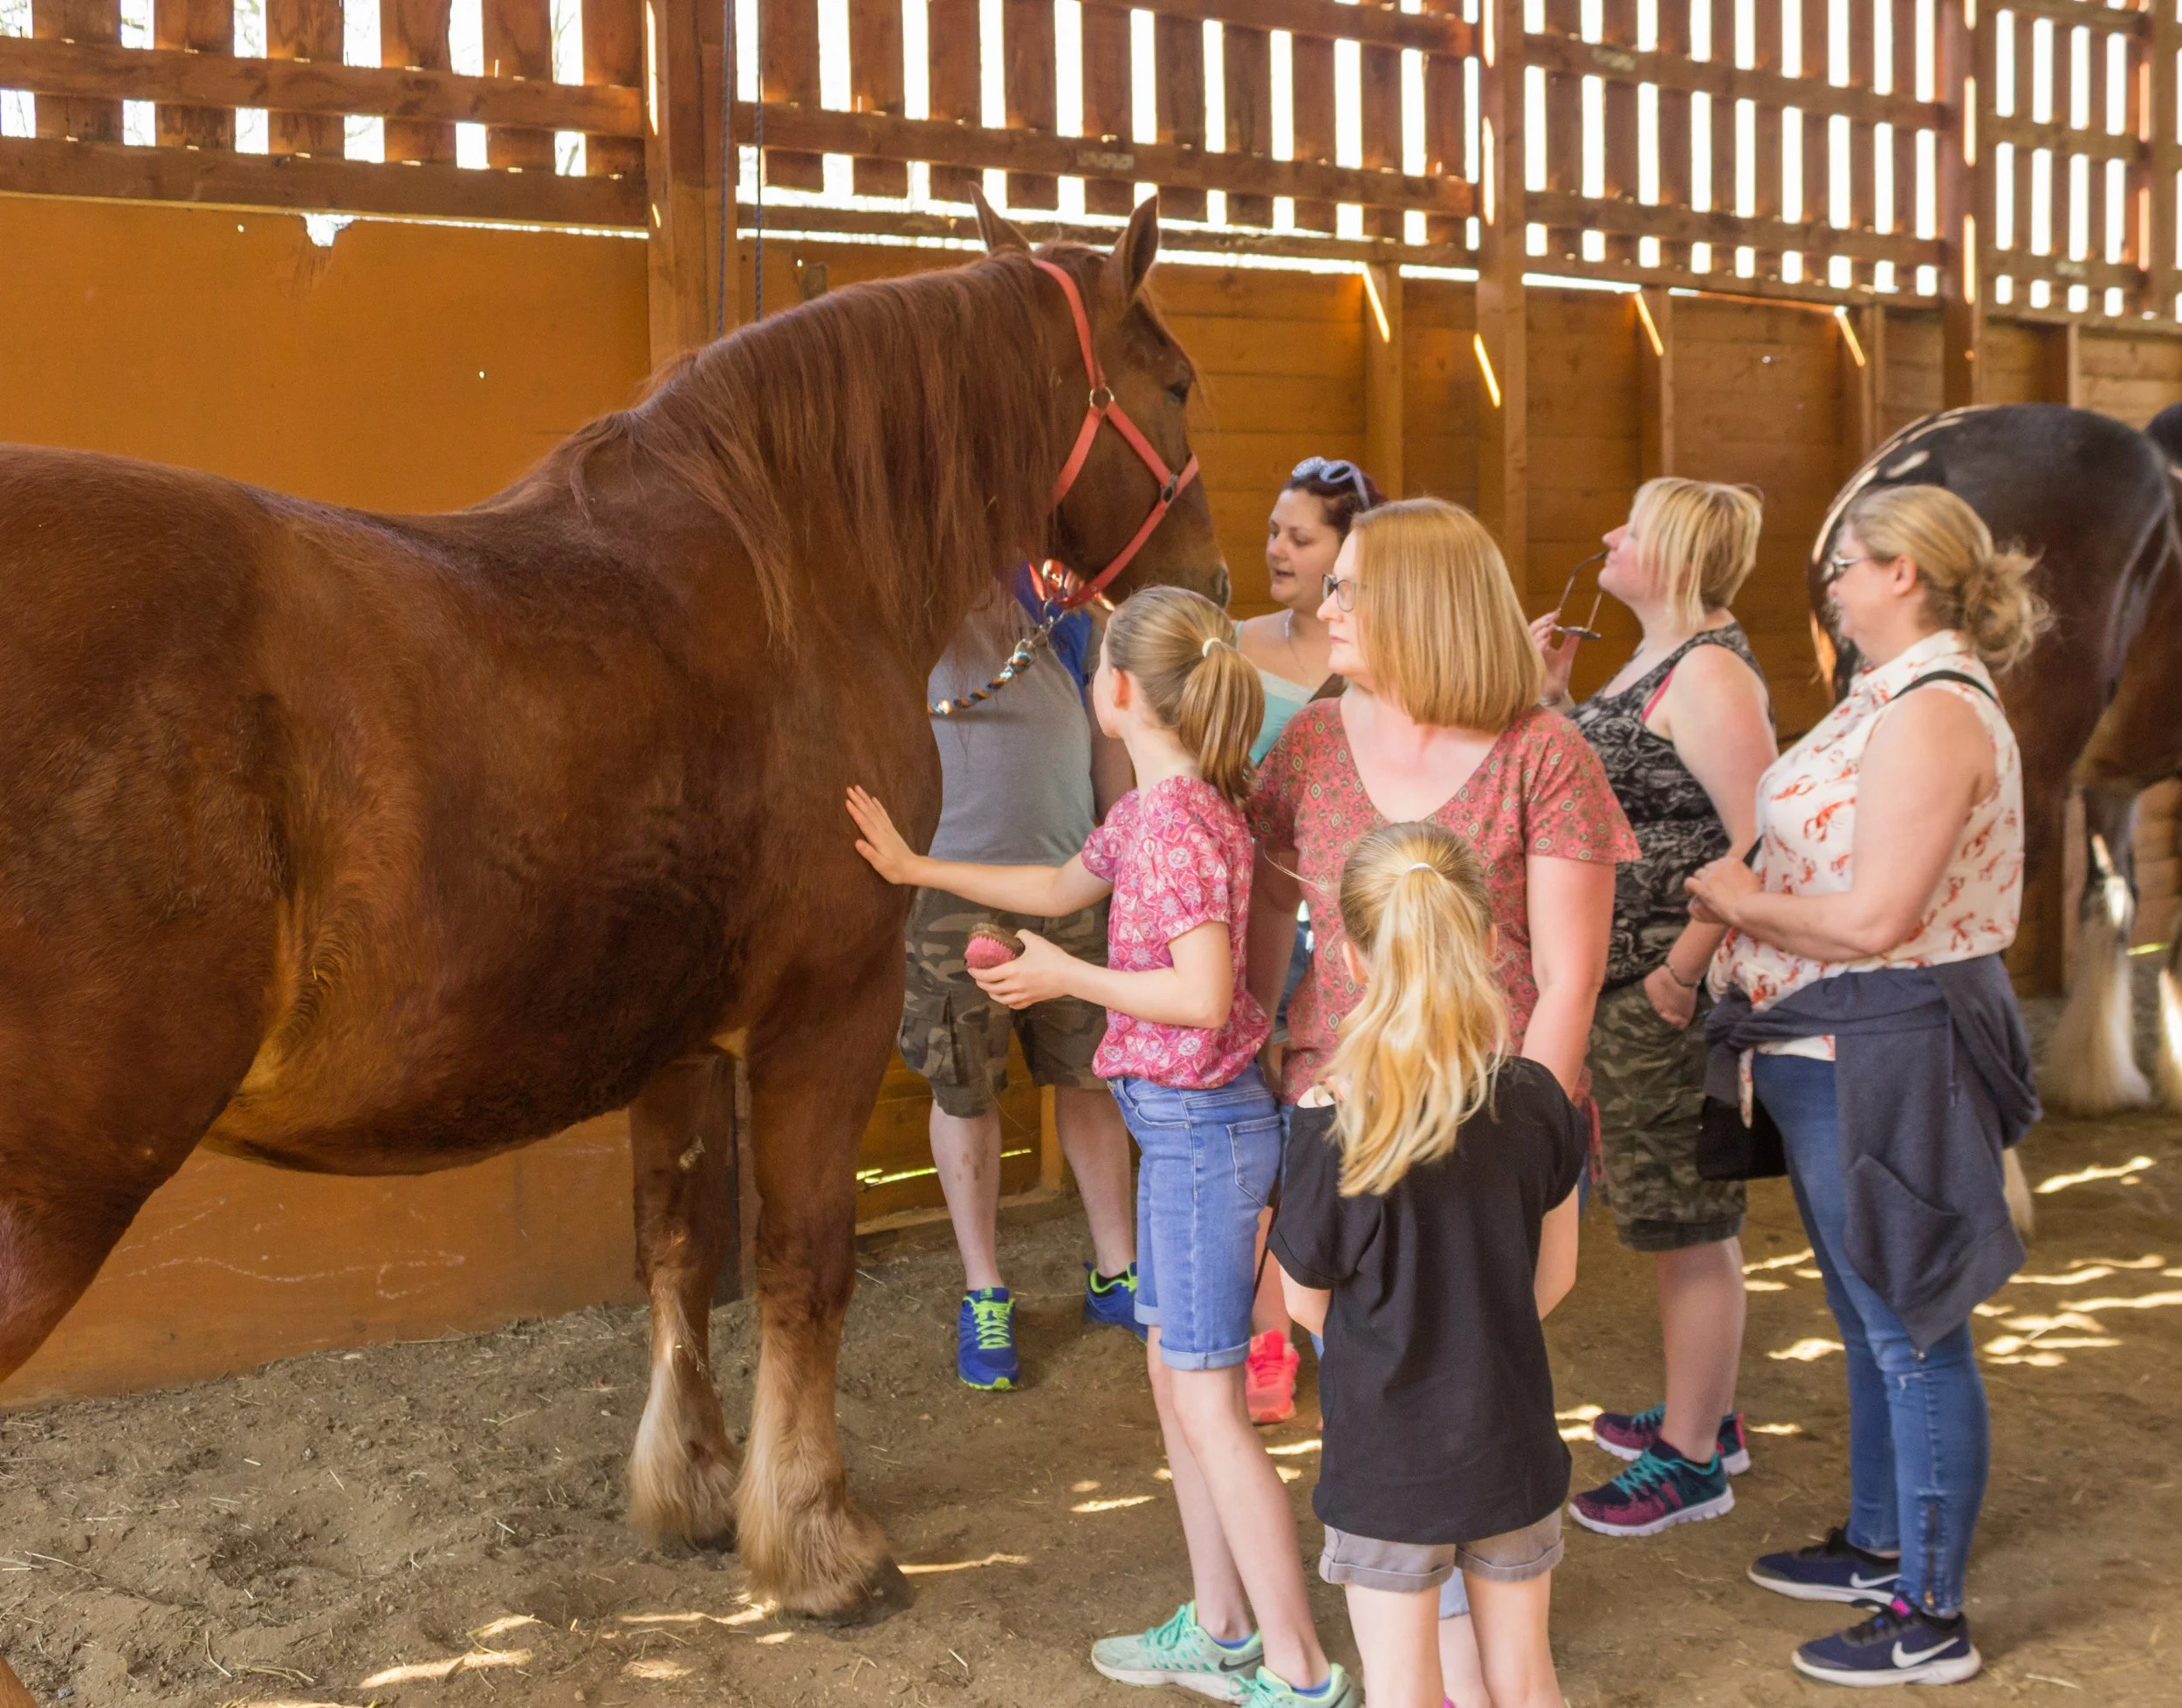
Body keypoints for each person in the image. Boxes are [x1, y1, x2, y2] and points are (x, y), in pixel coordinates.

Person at [848, 586, 1355, 1708]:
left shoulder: (1175, 823)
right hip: (1180, 1136)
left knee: (1210, 1407)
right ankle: (1223, 1628)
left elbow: (1203, 990)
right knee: (1185, 1397)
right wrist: (919, 870)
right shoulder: (1160, 809)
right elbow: (1053, 884)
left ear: (1119, 690)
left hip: (1201, 1140)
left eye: (1092, 674)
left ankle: (1297, 1667)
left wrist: (1062, 976)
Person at [1246, 496, 1635, 1683]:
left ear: (1421, 603)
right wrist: (1267, 1026)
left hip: (1489, 1125)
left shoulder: (1545, 752)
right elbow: (1270, 898)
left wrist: (1514, 1131)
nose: (1327, 604)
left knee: (1459, 1381)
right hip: (1345, 1120)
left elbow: (1570, 975)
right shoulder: (1311, 740)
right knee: (1387, 1401)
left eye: (1354, 586)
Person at [1686, 484, 2046, 1689]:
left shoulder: (1935, 713)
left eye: (1843, 563)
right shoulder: (1880, 701)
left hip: (1888, 1045)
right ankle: (1880, 1536)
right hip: (1828, 1044)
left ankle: (1931, 1609)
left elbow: (1882, 915)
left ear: (1904, 573)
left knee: (1912, 1324)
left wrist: (1739, 904)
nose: (1827, 582)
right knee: (1865, 1314)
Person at [1273, 822, 1584, 1708]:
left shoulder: (1333, 1119)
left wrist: (1394, 1349)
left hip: (1387, 1462)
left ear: (1352, 955)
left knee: (1403, 1692)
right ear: (1489, 941)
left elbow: (1304, 1301)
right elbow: (1552, 1279)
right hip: (1510, 1439)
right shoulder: (1535, 1098)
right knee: (1526, 1682)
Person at [1535, 479, 1778, 1537]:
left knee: (1688, 1224)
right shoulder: (1659, 662)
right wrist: (1552, 696)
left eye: (1627, 527)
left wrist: (1682, 968)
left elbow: (1762, 840)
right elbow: (1599, 796)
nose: (1606, 535)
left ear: (1672, 555)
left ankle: (1691, 1458)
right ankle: (1702, 1411)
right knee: (1665, 1212)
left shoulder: (1713, 674)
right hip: (1629, 986)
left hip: (1665, 993)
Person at [905, 566, 1141, 1390]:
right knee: (964, 1086)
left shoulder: (1063, 603)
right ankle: (984, 1287)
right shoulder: (911, 589)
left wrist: (1125, 859)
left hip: (1073, 882)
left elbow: (1108, 740)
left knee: (1092, 1078)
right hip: (953, 893)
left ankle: (1119, 1271)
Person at [1236, 454, 1385, 1425]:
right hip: (1247, 911)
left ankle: (1349, 1320)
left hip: (1342, 928)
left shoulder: (1362, 668)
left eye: (1303, 538)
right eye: (1275, 532)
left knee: (1336, 1145)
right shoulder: (1233, 643)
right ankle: (1267, 1339)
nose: (1278, 551)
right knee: (1260, 1145)